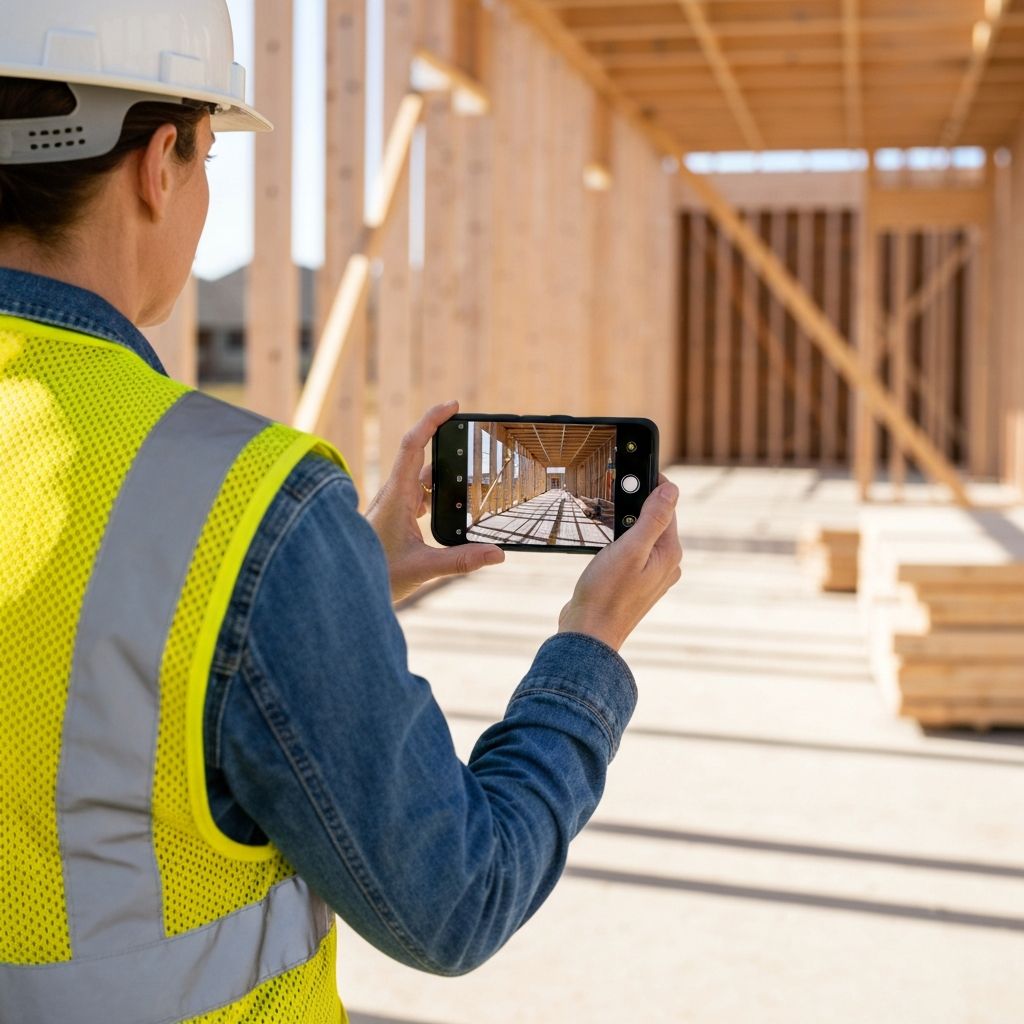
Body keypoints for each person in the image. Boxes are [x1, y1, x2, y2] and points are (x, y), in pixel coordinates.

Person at [0, 1, 683, 1020]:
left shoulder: (243, 527)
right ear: (158, 166)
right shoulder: (236, 496)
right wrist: (590, 644)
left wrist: (316, 592)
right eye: (209, 160)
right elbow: (453, 897)